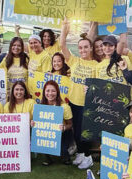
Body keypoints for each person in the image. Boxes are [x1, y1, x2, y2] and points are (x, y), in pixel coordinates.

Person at [60, 18, 99, 170]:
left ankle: (88, 157)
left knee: (85, 133)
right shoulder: (74, 61)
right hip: (74, 102)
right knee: (76, 130)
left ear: (91, 49)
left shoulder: (96, 65)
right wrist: (65, 27)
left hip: (87, 104)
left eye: (85, 47)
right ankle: (82, 153)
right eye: (80, 48)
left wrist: (94, 24)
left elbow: (100, 87)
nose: (82, 50)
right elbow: (62, 45)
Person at [37, 80, 74, 166]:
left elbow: (70, 124)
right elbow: (39, 123)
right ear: (44, 92)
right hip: (47, 132)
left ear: (57, 92)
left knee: (63, 153)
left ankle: (66, 153)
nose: (50, 93)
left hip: (63, 133)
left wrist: (64, 128)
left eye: (53, 91)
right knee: (41, 137)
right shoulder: (41, 106)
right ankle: (48, 157)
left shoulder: (64, 107)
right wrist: (34, 124)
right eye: (47, 91)